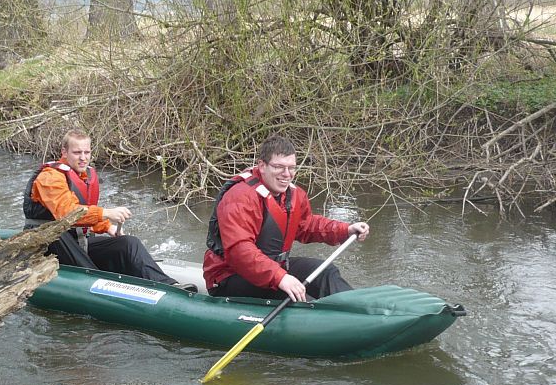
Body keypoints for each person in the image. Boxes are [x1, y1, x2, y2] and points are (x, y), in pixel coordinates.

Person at [24, 128, 196, 291]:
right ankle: (95, 279)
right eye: (77, 153)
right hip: (49, 244)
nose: (83, 158)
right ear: (64, 152)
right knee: (63, 238)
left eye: (87, 152)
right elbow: (67, 213)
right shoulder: (50, 177)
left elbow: (84, 211)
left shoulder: (83, 175)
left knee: (129, 243)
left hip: (74, 240)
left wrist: (107, 227)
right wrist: (106, 213)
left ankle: (169, 286)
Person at [203, 134, 369, 302]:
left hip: (272, 270)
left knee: (327, 271)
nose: (286, 174)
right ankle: (326, 320)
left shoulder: (293, 195)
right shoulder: (240, 198)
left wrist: (345, 230)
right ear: (262, 166)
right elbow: (240, 252)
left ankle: (360, 310)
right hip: (230, 276)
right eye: (279, 167)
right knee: (298, 297)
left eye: (291, 168)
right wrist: (280, 277)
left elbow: (307, 225)